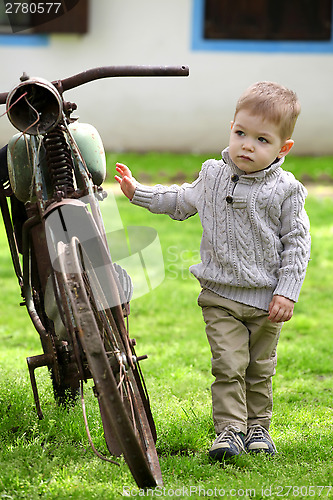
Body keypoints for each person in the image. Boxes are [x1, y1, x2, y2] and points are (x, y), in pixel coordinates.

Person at [114, 81, 311, 461]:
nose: (247, 146)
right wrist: (138, 192)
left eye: (262, 140)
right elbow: (179, 199)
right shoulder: (213, 175)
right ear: (231, 128)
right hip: (220, 296)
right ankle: (230, 431)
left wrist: (287, 291)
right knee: (228, 364)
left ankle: (259, 430)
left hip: (267, 301)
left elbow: (298, 244)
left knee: (259, 369)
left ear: (283, 148)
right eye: (240, 133)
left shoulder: (287, 190)